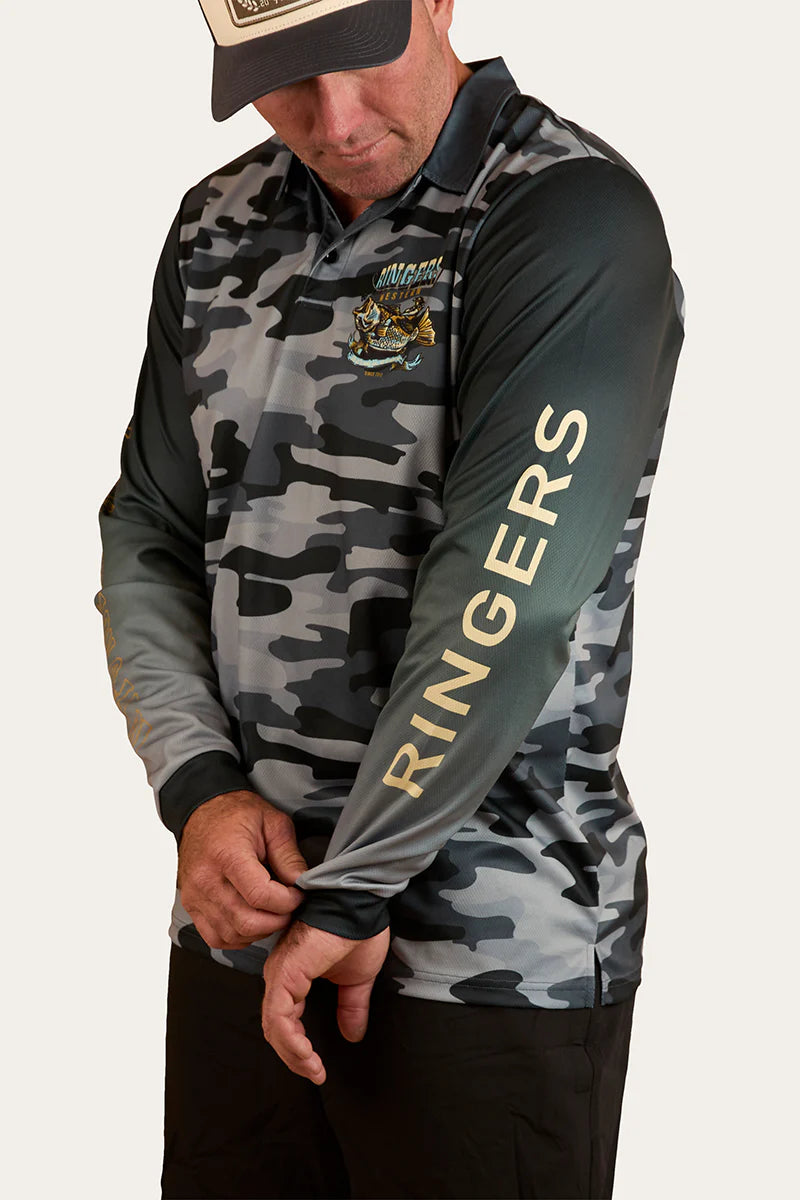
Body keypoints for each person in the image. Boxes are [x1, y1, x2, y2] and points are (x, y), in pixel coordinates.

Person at [95, 1, 685, 1196]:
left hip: (489, 950)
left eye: (356, 57)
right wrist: (196, 791)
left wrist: (359, 882)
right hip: (243, 921)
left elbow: (507, 590)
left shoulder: (564, 215)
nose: (334, 121)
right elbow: (148, 529)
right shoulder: (217, 224)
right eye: (281, 80)